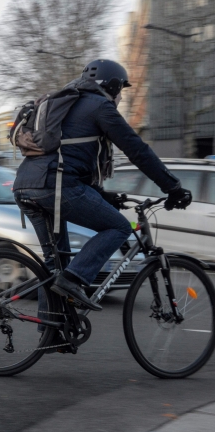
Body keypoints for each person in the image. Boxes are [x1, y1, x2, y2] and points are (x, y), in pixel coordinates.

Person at [12, 59, 192, 311]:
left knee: (56, 267)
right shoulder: (100, 106)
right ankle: (74, 280)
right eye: (121, 90)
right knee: (119, 227)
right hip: (55, 187)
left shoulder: (70, 105)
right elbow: (137, 150)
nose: (120, 96)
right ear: (113, 85)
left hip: (26, 186)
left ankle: (52, 331)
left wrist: (103, 196)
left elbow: (69, 160)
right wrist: (173, 187)